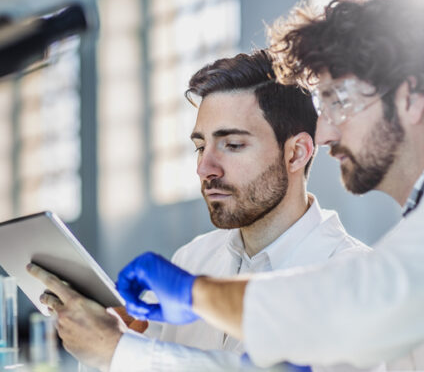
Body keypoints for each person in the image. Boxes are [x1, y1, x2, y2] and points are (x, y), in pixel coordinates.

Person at [117, 0, 424, 370]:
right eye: (200, 147)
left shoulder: (359, 267)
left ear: (410, 98)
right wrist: (126, 340)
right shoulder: (194, 257)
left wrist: (191, 296)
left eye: (338, 101)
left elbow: (351, 303)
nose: (324, 131)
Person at [28, 50, 377, 372]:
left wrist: (117, 350)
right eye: (200, 146)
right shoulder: (192, 259)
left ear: (297, 153)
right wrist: (113, 338)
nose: (205, 168)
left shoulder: (355, 278)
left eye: (232, 145)